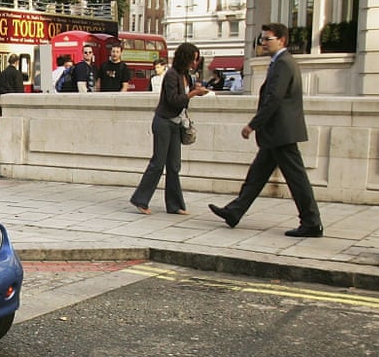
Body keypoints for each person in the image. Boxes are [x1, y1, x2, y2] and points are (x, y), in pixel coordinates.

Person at [209, 23, 323, 237]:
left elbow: (273, 99)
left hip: (281, 132)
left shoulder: (283, 63)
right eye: (262, 39)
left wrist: (253, 125)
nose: (263, 43)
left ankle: (311, 222)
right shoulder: (280, 62)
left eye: (267, 39)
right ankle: (234, 211)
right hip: (277, 133)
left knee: (296, 179)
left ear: (281, 40)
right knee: (257, 175)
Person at [129, 43, 209, 215]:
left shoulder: (186, 75)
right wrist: (193, 94)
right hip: (163, 122)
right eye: (193, 59)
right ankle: (140, 199)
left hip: (176, 123)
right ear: (185, 58)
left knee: (174, 165)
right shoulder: (171, 75)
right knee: (158, 163)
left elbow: (183, 98)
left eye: (197, 60)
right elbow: (173, 100)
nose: (195, 63)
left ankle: (175, 205)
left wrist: (195, 90)